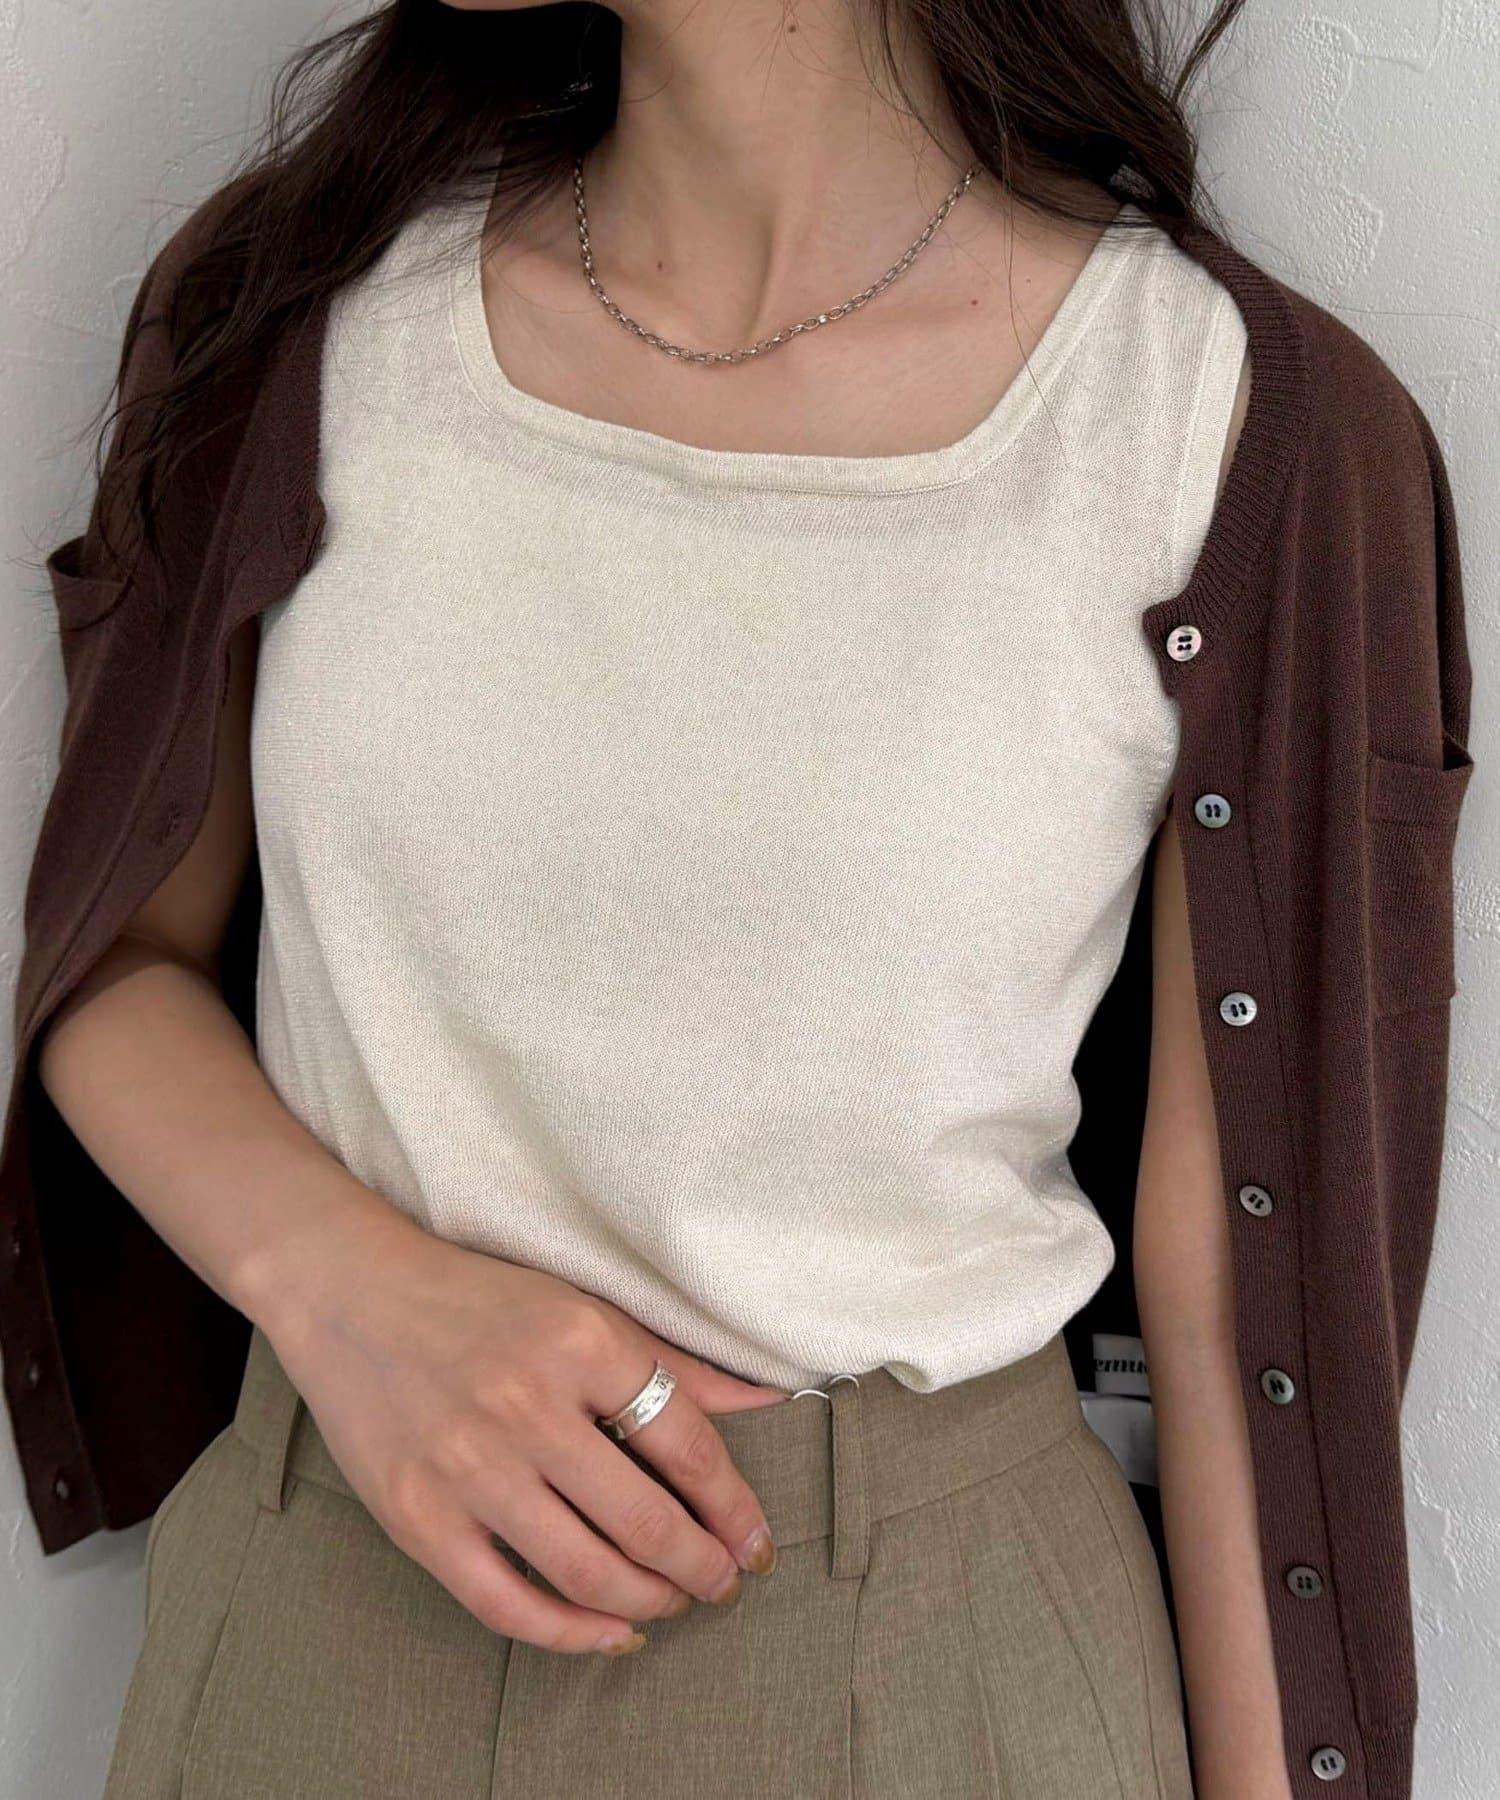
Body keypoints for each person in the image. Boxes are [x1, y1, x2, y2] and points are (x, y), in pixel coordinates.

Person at [1, 0, 1474, 1795]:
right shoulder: (304, 309)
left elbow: (1245, 1313)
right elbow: (113, 954)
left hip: (945, 1678)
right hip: (319, 1628)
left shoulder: (1229, 422)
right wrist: (345, 1294)